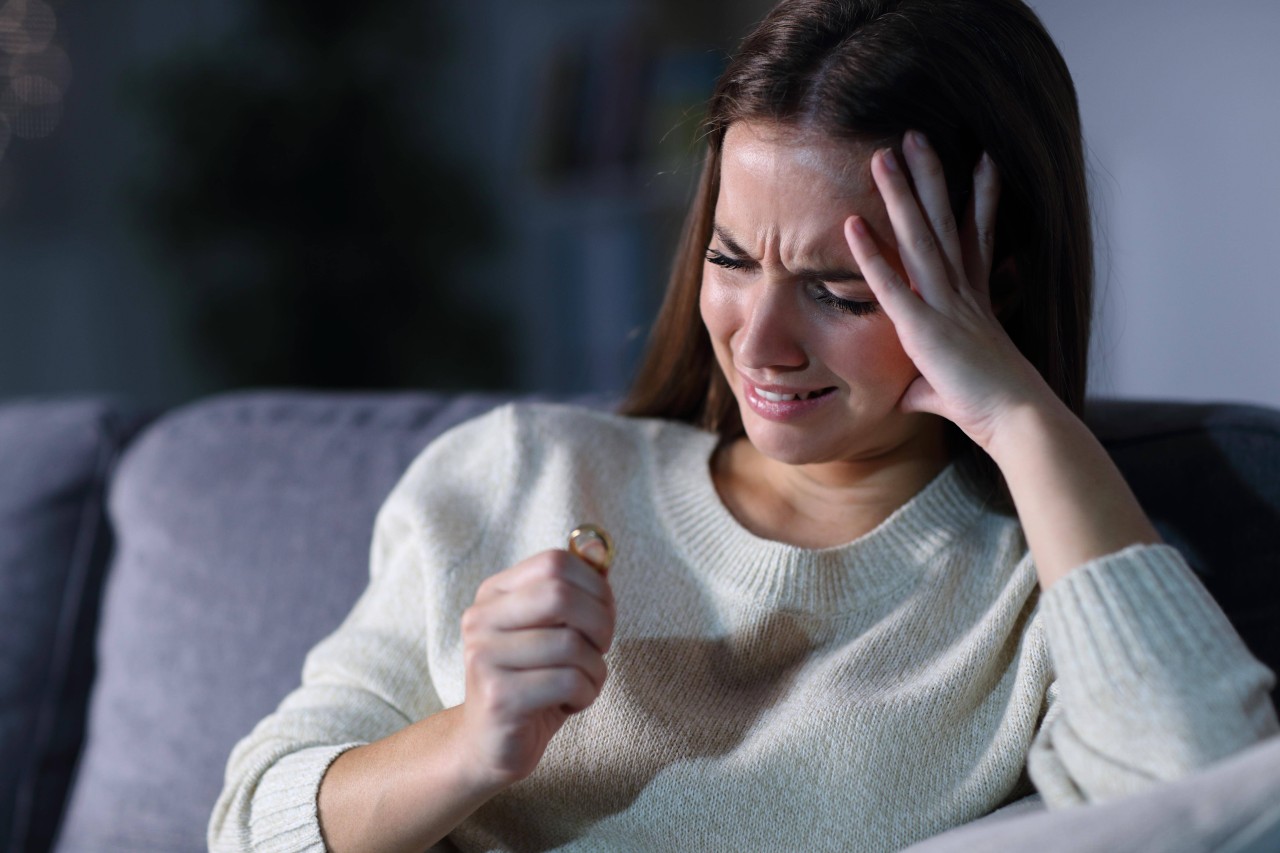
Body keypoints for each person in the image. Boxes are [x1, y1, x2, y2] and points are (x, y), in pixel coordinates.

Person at [210, 0, 1278, 850]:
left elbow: (1211, 797)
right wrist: (471, 745)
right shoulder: (520, 473)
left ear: (986, 290)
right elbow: (252, 825)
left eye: (840, 289)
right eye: (729, 258)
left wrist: (1017, 414)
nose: (758, 340)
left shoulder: (1037, 590)